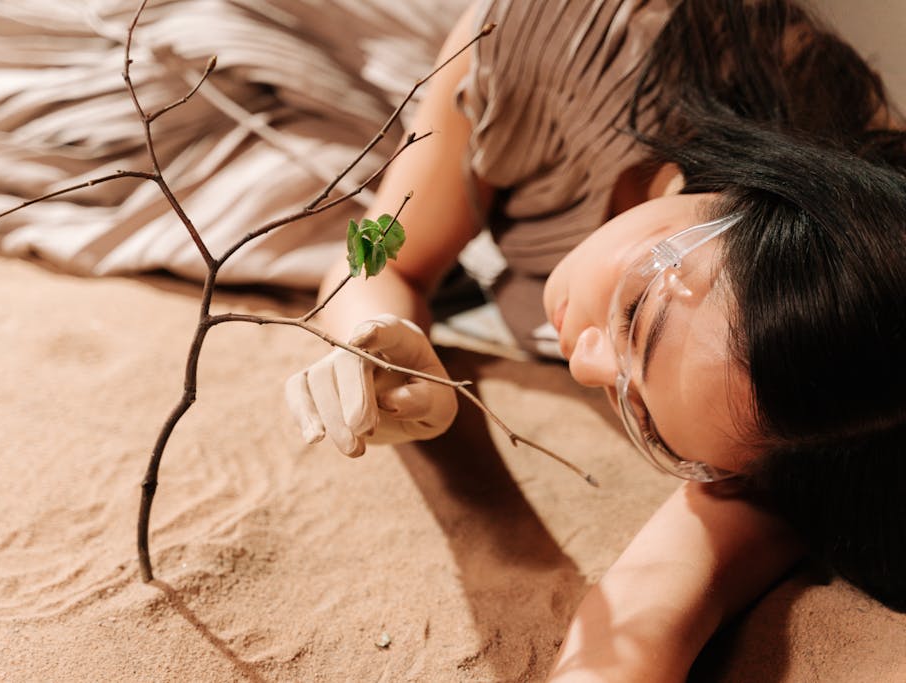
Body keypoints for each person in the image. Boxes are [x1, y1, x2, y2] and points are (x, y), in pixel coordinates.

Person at [283, 0, 906, 679]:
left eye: (637, 411)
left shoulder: (830, 403)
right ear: (757, 187)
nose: (583, 365)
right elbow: (382, 252)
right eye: (637, 311)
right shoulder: (554, 37)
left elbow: (668, 586)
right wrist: (370, 332)